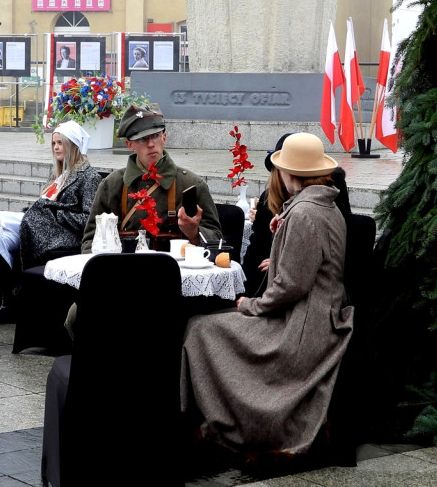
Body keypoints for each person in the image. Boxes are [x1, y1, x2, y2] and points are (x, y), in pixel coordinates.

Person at [181, 132, 352, 455]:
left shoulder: (303, 214)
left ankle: (220, 423)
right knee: (208, 326)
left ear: (289, 174)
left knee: (201, 329)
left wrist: (250, 305)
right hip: (318, 315)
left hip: (302, 325)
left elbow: (290, 287)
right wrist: (284, 233)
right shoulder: (322, 206)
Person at [0, 120, 102, 308]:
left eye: (60, 143)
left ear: (73, 145)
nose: (56, 148)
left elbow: (88, 220)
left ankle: (10, 297)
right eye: (53, 143)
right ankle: (2, 296)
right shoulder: (58, 174)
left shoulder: (89, 177)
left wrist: (55, 213)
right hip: (40, 227)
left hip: (61, 234)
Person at [81, 103, 220, 251]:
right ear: (129, 144)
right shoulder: (112, 185)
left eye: (155, 136)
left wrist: (194, 234)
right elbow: (90, 242)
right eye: (142, 139)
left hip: (174, 272)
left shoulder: (191, 184)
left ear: (164, 137)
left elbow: (217, 241)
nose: (151, 144)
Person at [243, 132, 352, 296]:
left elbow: (328, 253)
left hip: (302, 295)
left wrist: (280, 261)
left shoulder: (320, 203)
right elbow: (255, 250)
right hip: (268, 286)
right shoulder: (268, 199)